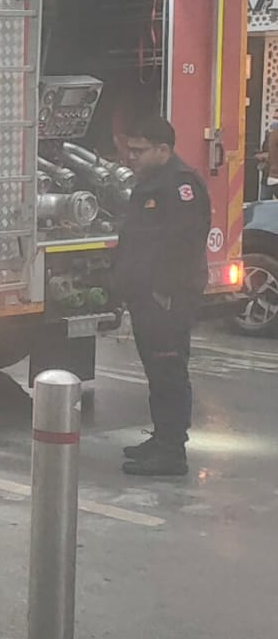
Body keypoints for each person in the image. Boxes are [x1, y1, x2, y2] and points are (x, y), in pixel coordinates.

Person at [115, 116, 209, 477]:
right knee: (157, 371)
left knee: (169, 372)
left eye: (139, 151)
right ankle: (162, 438)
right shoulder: (151, 183)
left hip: (167, 300)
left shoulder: (180, 186)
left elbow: (185, 244)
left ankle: (172, 452)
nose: (130, 158)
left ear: (163, 150)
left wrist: (164, 292)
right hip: (148, 298)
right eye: (129, 150)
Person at [258, 119, 277, 202]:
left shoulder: (271, 135)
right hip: (269, 176)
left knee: (265, 202)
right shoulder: (270, 136)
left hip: (271, 176)